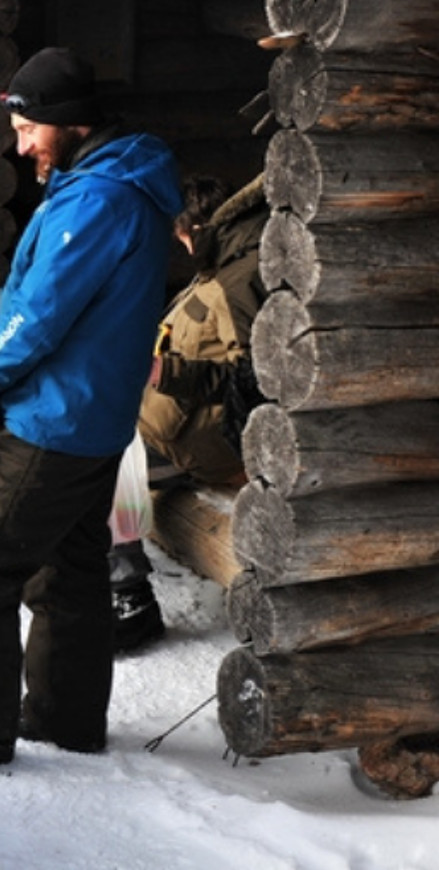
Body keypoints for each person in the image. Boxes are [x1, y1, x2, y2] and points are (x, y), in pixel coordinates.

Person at [0, 47, 182, 765]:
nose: (21, 145)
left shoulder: (98, 199)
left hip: (50, 423)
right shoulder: (108, 181)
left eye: (30, 128)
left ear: (71, 122)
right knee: (67, 570)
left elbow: (36, 320)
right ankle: (64, 720)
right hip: (92, 421)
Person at [110, 174, 270, 655]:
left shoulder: (239, 282)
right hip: (178, 429)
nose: (180, 246)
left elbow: (257, 382)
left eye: (182, 235)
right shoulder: (222, 267)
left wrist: (168, 372)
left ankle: (128, 597)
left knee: (107, 459)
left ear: (200, 228)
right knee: (109, 443)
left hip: (211, 444)